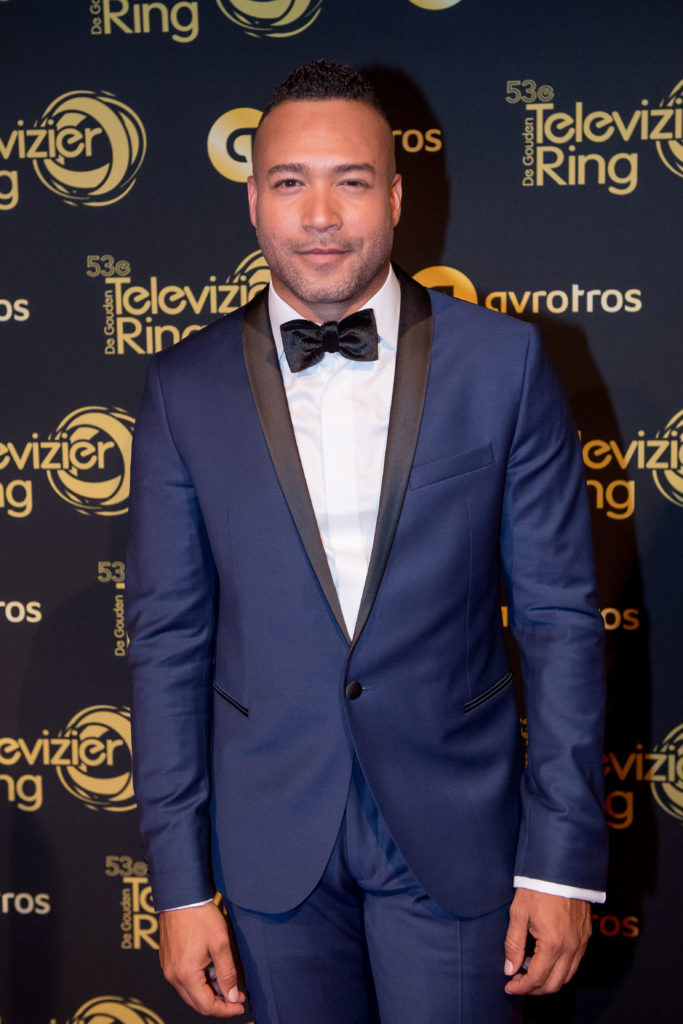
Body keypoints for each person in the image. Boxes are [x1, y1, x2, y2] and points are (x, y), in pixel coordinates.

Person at [126, 59, 608, 1024]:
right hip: (268, 845)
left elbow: (558, 620)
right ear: (253, 201)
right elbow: (166, 642)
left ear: (392, 196)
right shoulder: (182, 389)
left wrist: (559, 864)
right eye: (289, 182)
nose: (319, 216)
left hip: (457, 830)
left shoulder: (503, 363)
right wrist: (177, 886)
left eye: (349, 181)